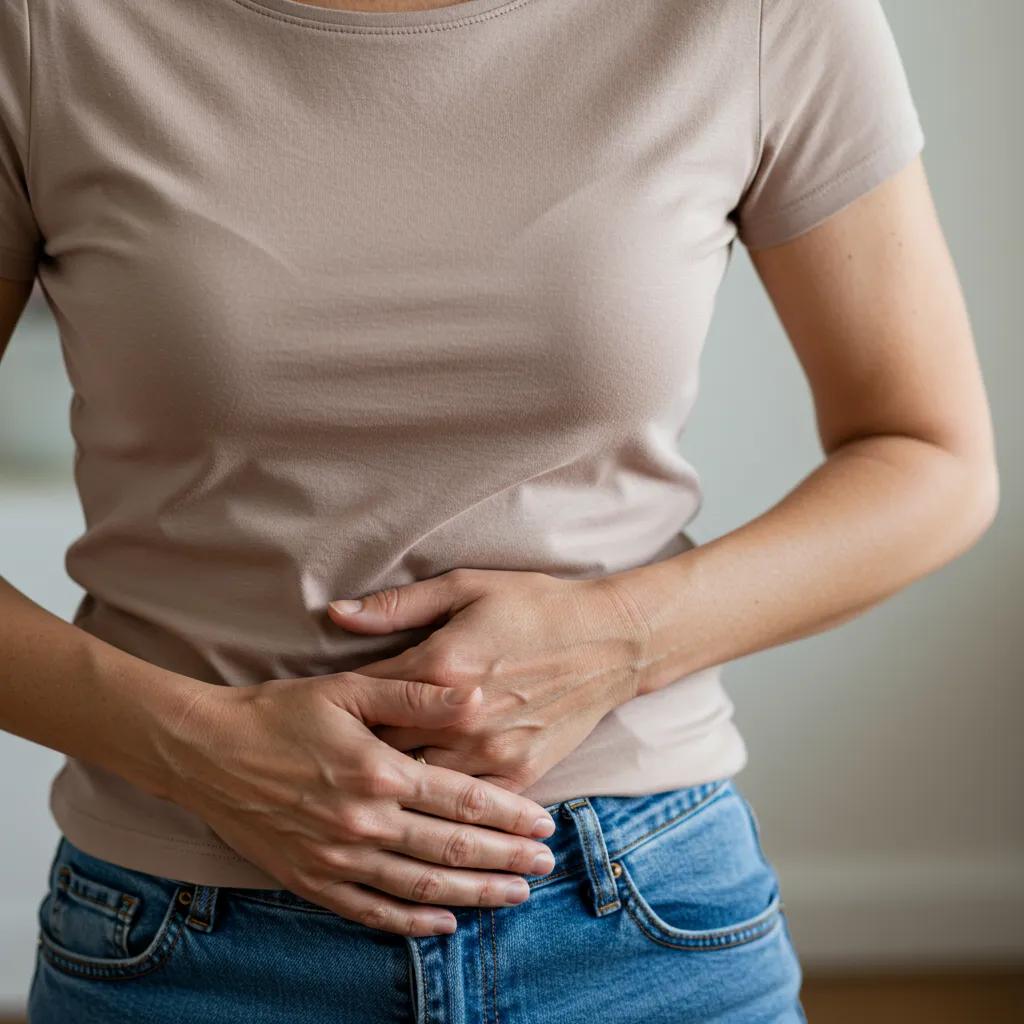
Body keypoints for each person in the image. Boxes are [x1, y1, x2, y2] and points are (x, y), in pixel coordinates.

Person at [0, 0, 997, 1021]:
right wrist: (190, 744)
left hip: (638, 916)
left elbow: (931, 461)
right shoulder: (50, 28)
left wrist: (622, 641)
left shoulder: (761, 16)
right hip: (188, 936)